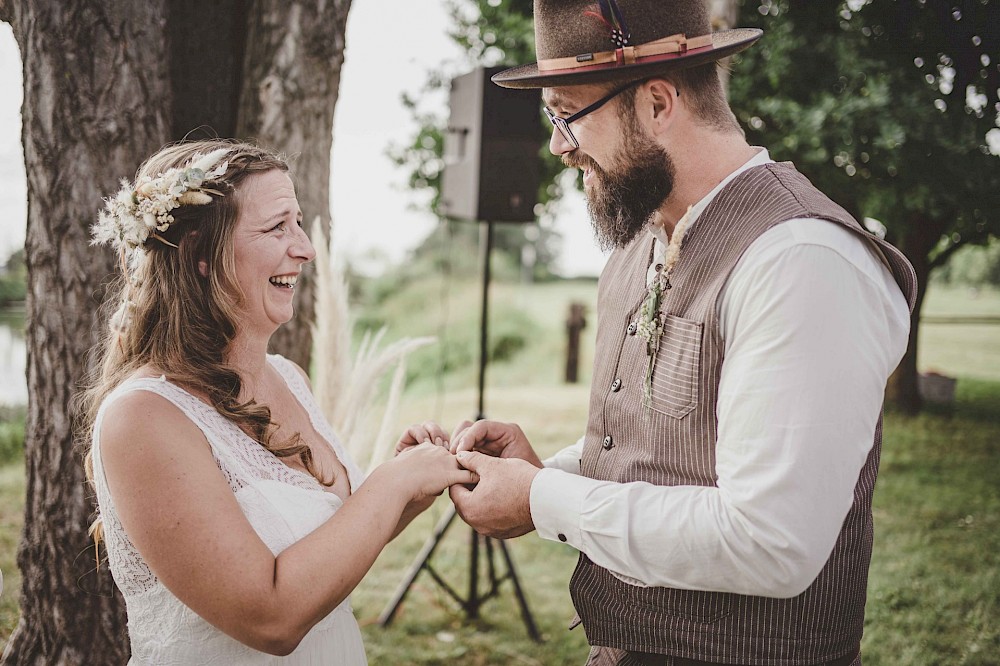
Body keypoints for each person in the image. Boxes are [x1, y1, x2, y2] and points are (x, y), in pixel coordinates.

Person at [435, 1, 917, 664]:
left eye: (566, 113)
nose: (557, 146)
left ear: (658, 102)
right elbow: (671, 443)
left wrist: (543, 499)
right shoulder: (639, 245)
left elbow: (771, 542)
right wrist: (545, 473)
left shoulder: (802, 260)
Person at [82, 139, 476, 664]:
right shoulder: (144, 417)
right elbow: (270, 619)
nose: (306, 248)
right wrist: (389, 485)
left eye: (298, 223)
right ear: (201, 256)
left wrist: (407, 490)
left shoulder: (288, 377)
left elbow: (322, 555)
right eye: (276, 227)